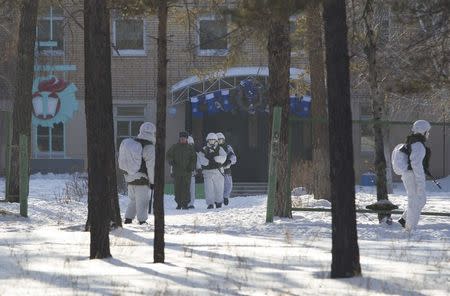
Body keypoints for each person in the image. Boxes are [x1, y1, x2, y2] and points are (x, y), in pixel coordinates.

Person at [398, 120, 432, 231]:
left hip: (410, 174)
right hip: (412, 175)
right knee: (415, 201)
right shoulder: (418, 145)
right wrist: (421, 183)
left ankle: (404, 220)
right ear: (423, 131)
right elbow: (416, 164)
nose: (428, 134)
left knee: (421, 200)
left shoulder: (415, 142)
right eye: (427, 131)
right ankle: (410, 229)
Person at [123, 122, 155, 225]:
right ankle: (142, 221)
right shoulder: (149, 147)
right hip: (142, 179)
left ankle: (128, 219)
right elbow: (151, 167)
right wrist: (152, 181)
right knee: (142, 201)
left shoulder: (134, 143)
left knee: (133, 200)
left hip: (129, 177)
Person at [167, 131, 197, 209]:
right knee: (177, 188)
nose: (182, 139)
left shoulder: (190, 148)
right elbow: (168, 155)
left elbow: (194, 159)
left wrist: (191, 167)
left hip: (187, 172)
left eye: (184, 138)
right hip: (177, 171)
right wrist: (171, 161)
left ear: (186, 139)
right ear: (179, 138)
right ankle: (179, 203)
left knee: (186, 188)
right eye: (181, 138)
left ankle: (185, 204)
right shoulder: (174, 147)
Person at [198, 133, 227, 209]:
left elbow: (224, 157)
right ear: (207, 141)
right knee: (209, 189)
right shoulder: (204, 149)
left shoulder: (219, 149)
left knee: (219, 188)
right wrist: (206, 162)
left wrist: (217, 159)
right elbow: (200, 157)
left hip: (218, 171)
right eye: (210, 141)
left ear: (216, 141)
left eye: (213, 141)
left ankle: (218, 202)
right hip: (208, 172)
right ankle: (210, 203)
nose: (211, 142)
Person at [216, 132, 237, 206]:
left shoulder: (228, 147)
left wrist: (230, 161)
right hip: (217, 169)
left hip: (226, 168)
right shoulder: (214, 148)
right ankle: (218, 199)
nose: (220, 142)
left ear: (224, 140)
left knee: (228, 185)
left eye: (221, 140)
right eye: (218, 140)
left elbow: (233, 157)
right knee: (217, 185)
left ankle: (225, 197)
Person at [187, 136, 201, 209]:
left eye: (191, 144)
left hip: (192, 174)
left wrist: (199, 169)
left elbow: (197, 162)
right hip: (183, 174)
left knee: (192, 190)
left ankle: (191, 203)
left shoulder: (195, 154)